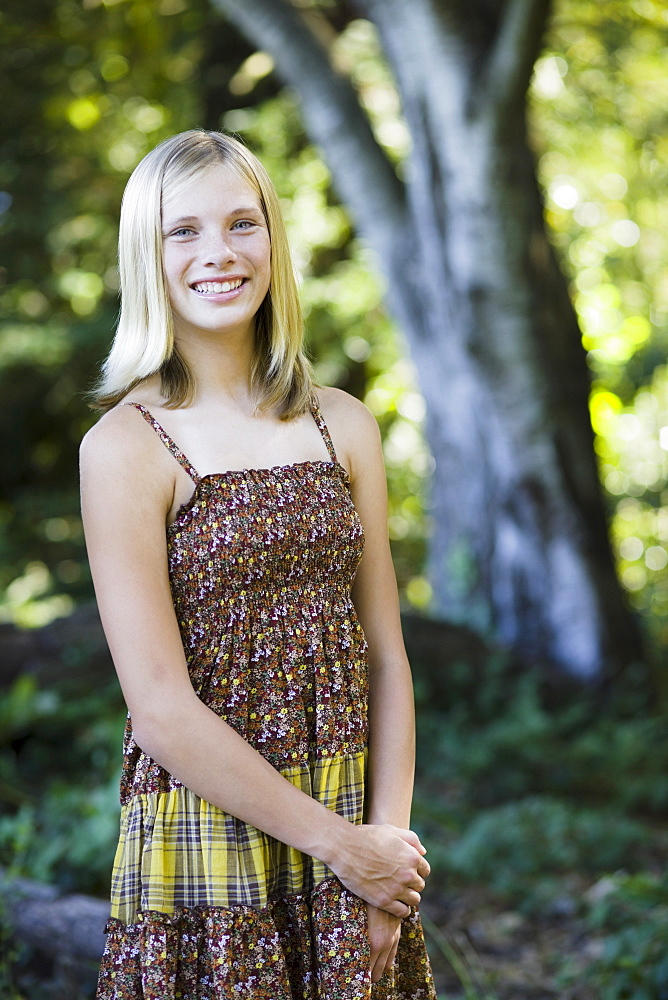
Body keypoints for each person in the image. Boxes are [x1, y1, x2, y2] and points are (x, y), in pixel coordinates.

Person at [80, 129, 435, 1000]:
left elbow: (386, 655)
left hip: (353, 816)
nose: (219, 254)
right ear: (147, 256)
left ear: (273, 238)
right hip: (209, 836)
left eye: (243, 224)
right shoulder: (126, 446)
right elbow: (159, 710)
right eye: (184, 231)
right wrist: (341, 848)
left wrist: (385, 853)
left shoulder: (341, 424)